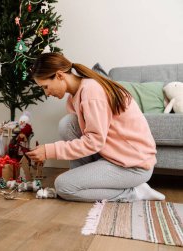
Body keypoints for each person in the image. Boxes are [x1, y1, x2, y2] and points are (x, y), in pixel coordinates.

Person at [26, 52, 165, 202]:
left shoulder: (91, 92)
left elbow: (94, 142)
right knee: (68, 124)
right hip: (114, 156)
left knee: (63, 187)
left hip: (133, 166)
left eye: (45, 87)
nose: (46, 93)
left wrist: (49, 151)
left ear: (59, 76)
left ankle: (135, 192)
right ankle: (82, 180)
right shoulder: (75, 96)